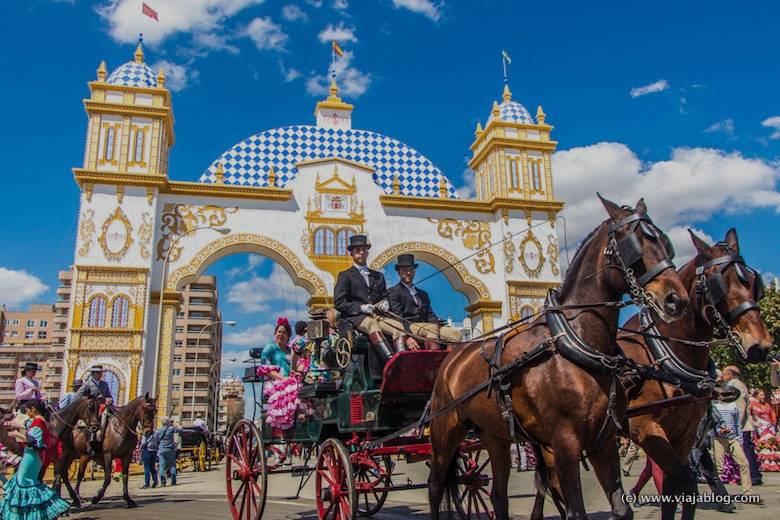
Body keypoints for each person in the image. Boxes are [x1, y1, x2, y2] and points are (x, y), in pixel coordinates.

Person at [0, 401, 70, 519]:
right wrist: (15, 426)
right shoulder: (40, 421)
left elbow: (35, 443)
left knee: (23, 483)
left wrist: (17, 435)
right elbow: (29, 427)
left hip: (31, 457)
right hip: (34, 458)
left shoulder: (37, 422)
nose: (26, 412)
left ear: (33, 409)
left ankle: (27, 515)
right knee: (29, 483)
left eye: (27, 410)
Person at [333, 234, 395, 361]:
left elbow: (383, 296)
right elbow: (339, 302)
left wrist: (385, 303)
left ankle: (403, 361)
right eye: (358, 250)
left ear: (367, 252)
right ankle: (390, 360)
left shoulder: (378, 276)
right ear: (351, 254)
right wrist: (360, 307)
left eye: (364, 250)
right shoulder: (345, 275)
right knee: (372, 324)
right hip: (357, 317)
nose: (361, 252)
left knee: (397, 327)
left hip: (378, 315)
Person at [387, 254, 462, 351]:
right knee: (431, 328)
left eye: (411, 269)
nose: (409, 272)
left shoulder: (422, 294)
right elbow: (398, 317)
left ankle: (449, 363)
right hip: (409, 327)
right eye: (405, 270)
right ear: (398, 272)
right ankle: (434, 362)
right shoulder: (393, 292)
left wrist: (438, 325)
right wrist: (407, 336)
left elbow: (430, 315)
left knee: (455, 333)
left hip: (428, 327)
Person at [690, 403, 735, 512]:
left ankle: (724, 502)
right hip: (685, 445)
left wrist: (722, 429)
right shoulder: (685, 403)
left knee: (711, 473)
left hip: (700, 444)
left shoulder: (708, 405)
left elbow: (718, 421)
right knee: (688, 475)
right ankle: (687, 501)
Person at [723, 365, 762, 485]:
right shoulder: (739, 384)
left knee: (746, 452)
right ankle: (753, 475)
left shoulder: (735, 384)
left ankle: (753, 476)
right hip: (743, 426)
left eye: (724, 374)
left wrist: (736, 425)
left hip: (743, 426)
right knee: (747, 451)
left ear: (729, 374)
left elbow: (740, 406)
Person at [711, 398, 753, 495]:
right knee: (719, 468)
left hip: (733, 439)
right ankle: (718, 494)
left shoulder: (733, 405)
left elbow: (737, 423)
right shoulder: (714, 405)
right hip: (719, 439)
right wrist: (719, 430)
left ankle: (748, 492)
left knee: (744, 463)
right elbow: (712, 422)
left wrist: (740, 439)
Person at [77, 365, 113, 443]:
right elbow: (78, 396)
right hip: (92, 408)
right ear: (94, 374)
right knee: (103, 415)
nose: (101, 375)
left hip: (103, 406)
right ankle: (97, 436)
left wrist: (109, 399)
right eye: (99, 373)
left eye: (101, 373)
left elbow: (109, 396)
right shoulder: (87, 384)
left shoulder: (104, 384)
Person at [749, 389, 780, 472]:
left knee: (771, 444)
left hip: (769, 427)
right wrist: (754, 423)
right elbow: (748, 414)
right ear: (756, 396)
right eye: (761, 395)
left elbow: (772, 414)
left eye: (763, 395)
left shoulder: (767, 405)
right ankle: (763, 464)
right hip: (760, 428)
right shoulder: (752, 404)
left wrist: (773, 423)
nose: (763, 397)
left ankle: (772, 463)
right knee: (762, 444)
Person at [154, 417, 183, 487]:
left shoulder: (158, 430)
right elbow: (180, 430)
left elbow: (155, 439)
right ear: (168, 422)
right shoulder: (172, 429)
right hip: (171, 449)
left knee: (161, 467)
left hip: (162, 450)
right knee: (172, 466)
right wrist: (175, 423)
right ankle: (173, 481)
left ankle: (163, 482)